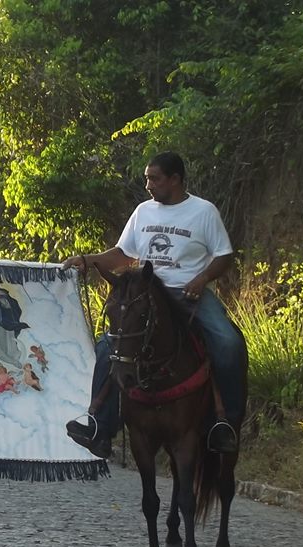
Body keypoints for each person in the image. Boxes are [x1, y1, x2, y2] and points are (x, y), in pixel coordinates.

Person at [62, 151, 245, 457]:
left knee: (228, 343)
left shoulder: (203, 211)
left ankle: (223, 424)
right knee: (108, 346)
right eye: (147, 178)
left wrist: (202, 279)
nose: (148, 185)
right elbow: (123, 254)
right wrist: (88, 260)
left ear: (175, 179)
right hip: (145, 295)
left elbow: (224, 255)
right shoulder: (143, 212)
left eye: (154, 178)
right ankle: (100, 425)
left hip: (187, 294)